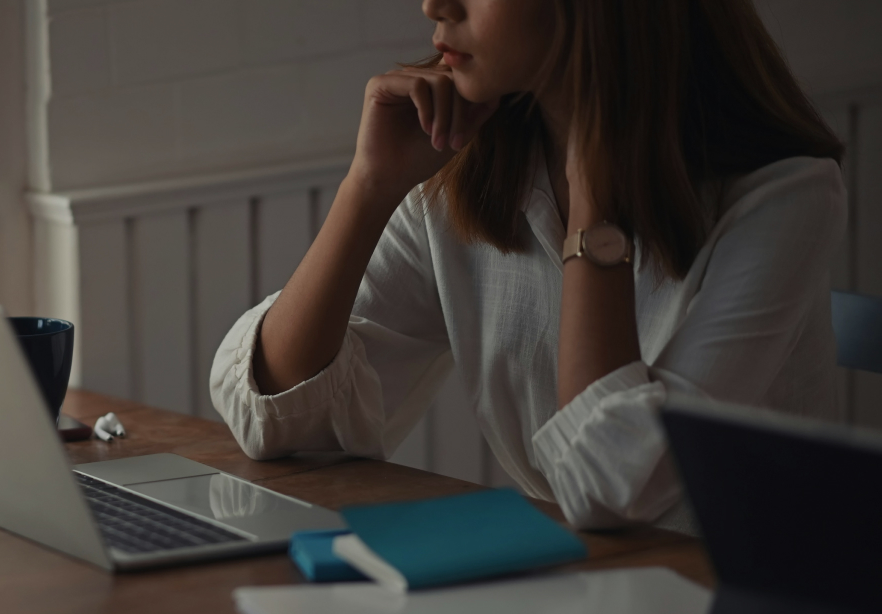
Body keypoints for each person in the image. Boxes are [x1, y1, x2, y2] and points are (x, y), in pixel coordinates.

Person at [210, 0, 845, 534]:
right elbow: (277, 422)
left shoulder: (784, 196)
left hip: (735, 595)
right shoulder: (472, 172)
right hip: (578, 583)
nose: (434, 4)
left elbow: (611, 489)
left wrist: (596, 195)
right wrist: (370, 185)